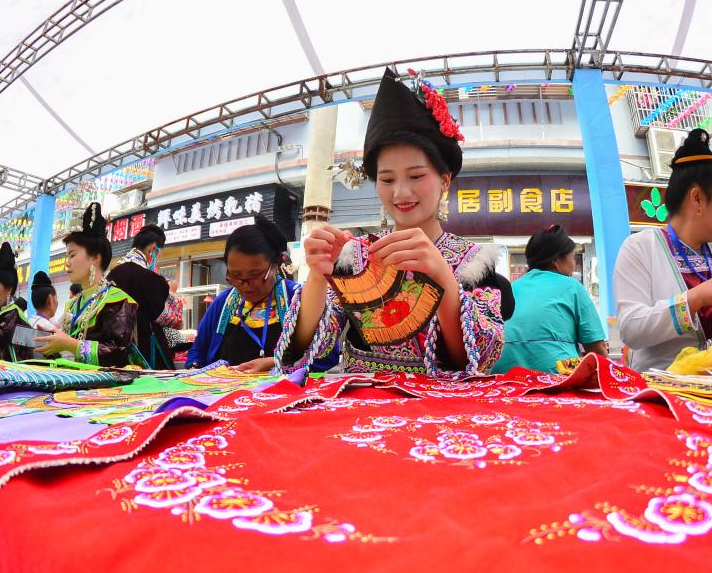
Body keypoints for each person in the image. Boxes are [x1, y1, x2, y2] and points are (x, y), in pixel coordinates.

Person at [279, 68, 512, 376]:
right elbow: (309, 349)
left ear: (445, 180)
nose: (400, 193)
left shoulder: (473, 263)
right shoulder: (354, 256)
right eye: (387, 179)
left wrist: (444, 278)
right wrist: (319, 277)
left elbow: (474, 362)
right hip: (361, 398)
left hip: (437, 403)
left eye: (416, 176)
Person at [613, 129, 712, 372]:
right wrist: (695, 298)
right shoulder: (640, 247)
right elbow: (631, 329)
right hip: (659, 386)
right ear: (697, 199)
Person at [187, 215, 337, 372]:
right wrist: (195, 369)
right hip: (225, 387)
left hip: (281, 387)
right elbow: (198, 350)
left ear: (275, 266)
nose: (245, 285)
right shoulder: (223, 303)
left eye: (255, 275)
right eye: (235, 276)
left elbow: (328, 355)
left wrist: (276, 362)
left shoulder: (296, 297)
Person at [35, 203, 139, 367]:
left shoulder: (116, 301)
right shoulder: (73, 304)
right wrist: (53, 342)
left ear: (95, 257)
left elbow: (118, 354)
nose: (67, 263)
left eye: (72, 255)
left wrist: (71, 345)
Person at [492, 225, 606, 373]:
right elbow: (598, 350)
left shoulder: (512, 287)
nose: (574, 266)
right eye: (572, 258)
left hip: (502, 376)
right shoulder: (572, 287)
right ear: (556, 261)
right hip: (554, 378)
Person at [107, 224, 173, 369]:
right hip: (144, 350)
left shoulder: (112, 275)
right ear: (152, 249)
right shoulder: (151, 279)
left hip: (113, 349)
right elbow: (166, 317)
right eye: (158, 253)